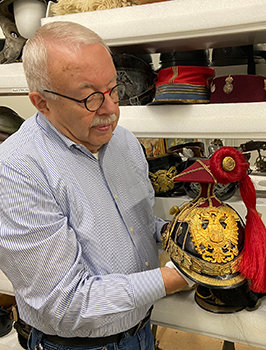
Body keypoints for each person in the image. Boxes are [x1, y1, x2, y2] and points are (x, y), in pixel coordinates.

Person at [0, 21, 189, 350]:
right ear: (41, 103)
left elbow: (134, 225)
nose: (112, 109)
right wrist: (179, 276)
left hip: (141, 331)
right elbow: (66, 304)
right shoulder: (16, 171)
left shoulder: (125, 144)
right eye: (90, 98)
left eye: (115, 88)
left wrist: (179, 232)